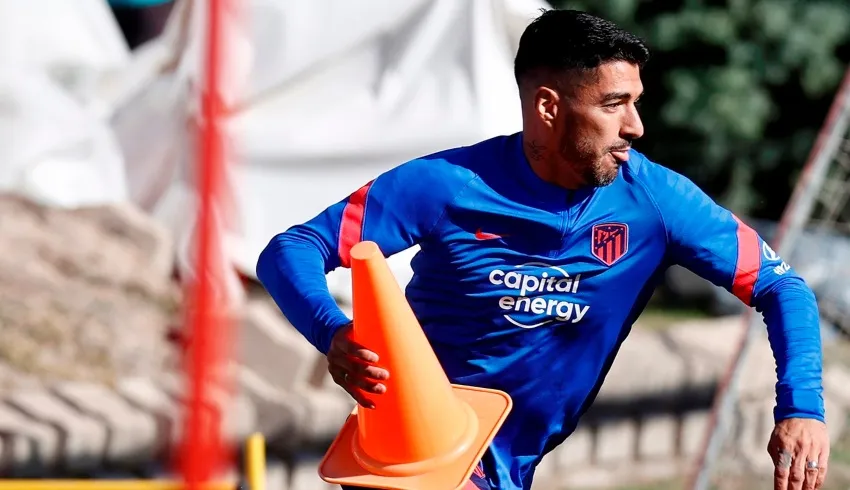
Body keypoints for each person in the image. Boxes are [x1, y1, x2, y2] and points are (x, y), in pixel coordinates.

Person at [256, 9, 829, 490]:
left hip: (513, 465)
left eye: (636, 102)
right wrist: (334, 330)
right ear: (549, 108)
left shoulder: (656, 201)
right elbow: (294, 248)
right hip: (430, 453)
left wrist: (801, 407)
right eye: (613, 104)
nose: (635, 126)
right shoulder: (447, 184)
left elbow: (783, 288)